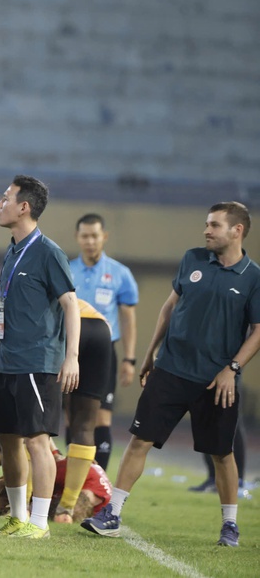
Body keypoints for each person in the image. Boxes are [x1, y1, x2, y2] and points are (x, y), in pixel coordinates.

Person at [82, 202, 260, 548]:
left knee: (222, 454)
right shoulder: (192, 259)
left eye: (214, 225)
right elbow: (169, 307)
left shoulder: (254, 277)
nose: (206, 230)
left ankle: (230, 526)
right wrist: (149, 356)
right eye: (207, 224)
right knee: (139, 440)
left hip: (216, 380)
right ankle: (112, 513)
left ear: (237, 231)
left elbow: (257, 330)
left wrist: (232, 369)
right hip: (171, 369)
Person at [0, 175, 80, 539]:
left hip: (38, 361)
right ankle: (18, 515)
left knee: (37, 441)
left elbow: (70, 304)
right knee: (7, 439)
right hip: (7, 358)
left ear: (24, 207)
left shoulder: (48, 252)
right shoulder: (12, 250)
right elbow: (4, 301)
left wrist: (70, 357)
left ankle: (39, 522)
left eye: (5, 198)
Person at [70, 213, 139, 470]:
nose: (90, 241)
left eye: (95, 236)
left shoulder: (120, 274)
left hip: (103, 354)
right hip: (71, 351)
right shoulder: (66, 270)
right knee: (72, 417)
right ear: (77, 238)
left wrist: (129, 359)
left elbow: (128, 318)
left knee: (101, 417)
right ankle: (74, 478)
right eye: (85, 236)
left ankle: (98, 483)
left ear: (104, 237)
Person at [54, 299, 113, 523]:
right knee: (86, 424)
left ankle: (24, 505)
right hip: (100, 327)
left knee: (35, 421)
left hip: (66, 327)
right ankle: (66, 510)